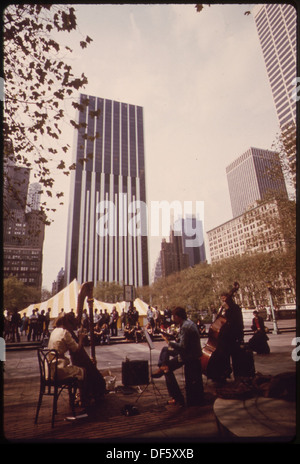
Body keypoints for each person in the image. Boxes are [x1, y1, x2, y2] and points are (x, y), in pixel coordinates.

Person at [152, 307, 203, 406]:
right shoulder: (188, 323)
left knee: (167, 369)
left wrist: (169, 342)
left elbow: (182, 347)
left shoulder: (185, 327)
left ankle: (177, 397)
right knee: (165, 350)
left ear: (177, 316)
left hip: (188, 356)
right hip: (190, 352)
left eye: (173, 317)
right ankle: (163, 366)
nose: (172, 319)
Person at [48, 313, 89, 408]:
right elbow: (76, 349)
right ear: (68, 324)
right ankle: (83, 398)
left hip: (51, 369)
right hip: (59, 370)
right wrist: (81, 339)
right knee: (83, 371)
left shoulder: (54, 331)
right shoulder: (65, 333)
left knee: (75, 370)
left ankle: (74, 397)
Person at [208, 288, 244, 383]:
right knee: (223, 357)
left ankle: (238, 377)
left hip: (233, 336)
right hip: (225, 338)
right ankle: (223, 374)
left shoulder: (234, 308)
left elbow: (236, 322)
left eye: (225, 299)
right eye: (222, 299)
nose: (224, 301)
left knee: (236, 359)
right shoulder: (224, 309)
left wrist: (228, 309)